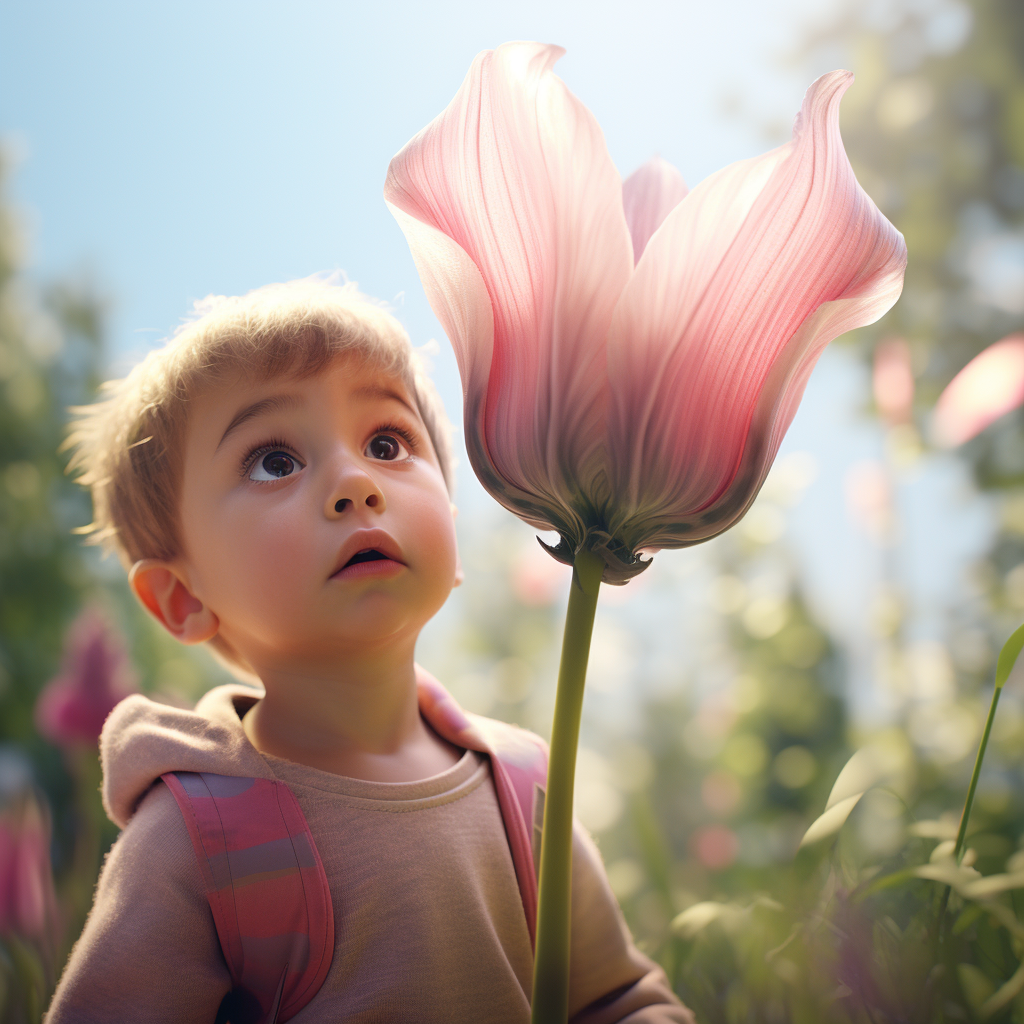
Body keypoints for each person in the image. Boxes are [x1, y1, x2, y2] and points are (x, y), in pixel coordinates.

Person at [44, 279, 694, 1023]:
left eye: (388, 444)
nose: (356, 483)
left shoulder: (524, 788)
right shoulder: (202, 841)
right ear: (182, 598)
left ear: (449, 532)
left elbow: (616, 997)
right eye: (274, 461)